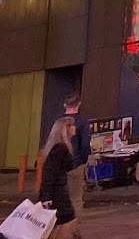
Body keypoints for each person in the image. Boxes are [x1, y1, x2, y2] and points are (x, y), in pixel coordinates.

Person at [36, 118, 77, 239]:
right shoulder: (60, 149)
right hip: (57, 194)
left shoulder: (61, 147)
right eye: (72, 125)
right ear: (66, 129)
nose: (75, 128)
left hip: (59, 192)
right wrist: (46, 197)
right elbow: (49, 173)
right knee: (67, 221)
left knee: (58, 223)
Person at [58, 94, 86, 237]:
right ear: (78, 104)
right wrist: (82, 160)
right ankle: (74, 230)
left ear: (65, 105)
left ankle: (59, 230)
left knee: (60, 197)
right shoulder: (82, 121)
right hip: (75, 163)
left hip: (59, 165)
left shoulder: (58, 121)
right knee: (76, 198)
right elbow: (85, 144)